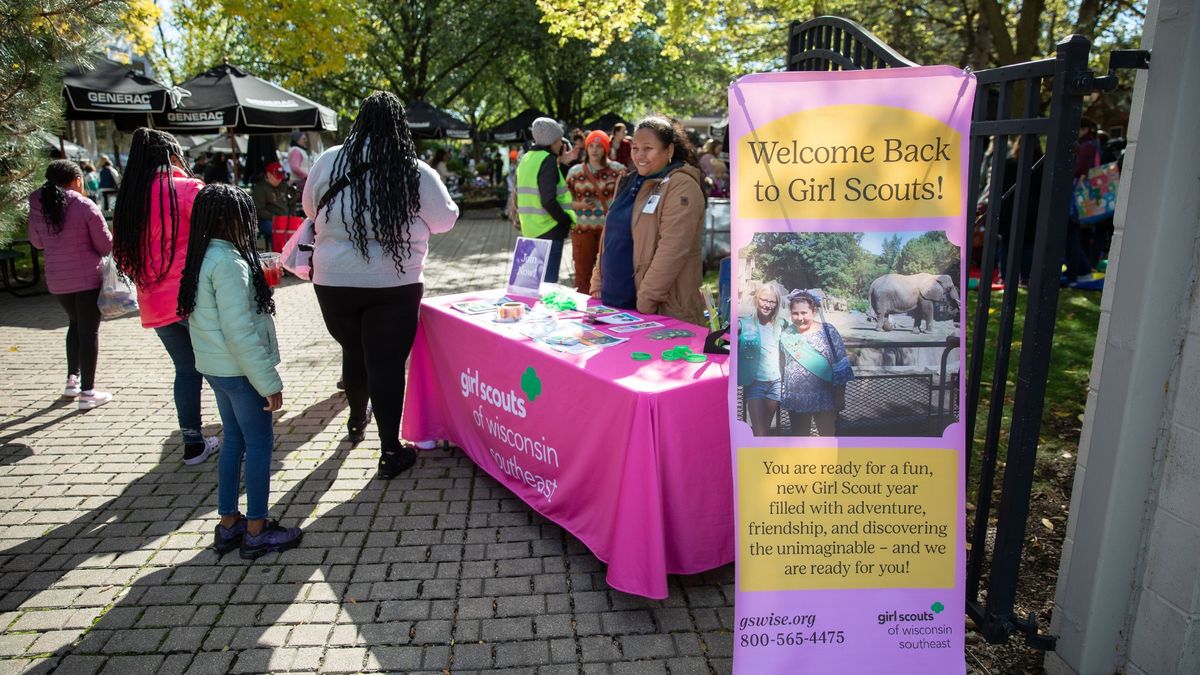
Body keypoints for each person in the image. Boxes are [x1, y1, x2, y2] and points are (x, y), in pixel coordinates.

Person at [304, 91, 459, 479]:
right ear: (399, 127)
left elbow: (309, 209)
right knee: (386, 363)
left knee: (354, 351)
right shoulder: (415, 170)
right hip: (394, 281)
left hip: (333, 280)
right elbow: (444, 221)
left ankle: (356, 421)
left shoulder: (328, 160)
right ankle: (390, 450)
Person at [176, 183, 301, 559]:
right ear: (231, 220)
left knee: (234, 441)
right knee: (260, 445)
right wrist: (268, 382)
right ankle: (257, 529)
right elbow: (239, 331)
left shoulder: (202, 256)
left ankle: (229, 524)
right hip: (239, 370)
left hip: (216, 368)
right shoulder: (229, 263)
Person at [112, 128, 220, 465]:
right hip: (194, 296)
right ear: (173, 156)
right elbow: (220, 236)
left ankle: (192, 443)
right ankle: (243, 435)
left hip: (154, 301)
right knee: (223, 367)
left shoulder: (130, 200)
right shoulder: (188, 189)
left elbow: (124, 256)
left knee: (186, 370)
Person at [590, 114, 706, 325]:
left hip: (655, 311)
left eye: (648, 148)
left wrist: (646, 301)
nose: (640, 155)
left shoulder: (681, 186)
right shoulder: (627, 181)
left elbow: (672, 249)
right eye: (635, 148)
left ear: (669, 150)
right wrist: (598, 280)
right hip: (614, 305)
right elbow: (610, 235)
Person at [27, 160, 114, 409]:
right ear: (76, 180)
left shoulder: (37, 205)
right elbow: (105, 245)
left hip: (56, 280)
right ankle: (88, 393)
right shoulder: (84, 205)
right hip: (87, 278)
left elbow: (37, 242)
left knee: (74, 324)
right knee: (89, 333)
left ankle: (71, 380)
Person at [515, 117, 576, 284]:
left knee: (532, 286)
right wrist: (566, 220)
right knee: (548, 287)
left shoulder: (526, 158)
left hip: (530, 229)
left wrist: (562, 164)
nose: (560, 145)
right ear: (553, 141)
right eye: (559, 141)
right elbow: (548, 199)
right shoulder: (547, 160)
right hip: (549, 229)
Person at [779, 291, 849, 437]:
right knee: (799, 439)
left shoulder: (828, 331)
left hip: (824, 397)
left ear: (814, 311)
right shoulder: (786, 334)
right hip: (797, 398)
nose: (800, 318)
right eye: (795, 313)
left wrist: (840, 396)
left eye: (804, 313)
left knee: (827, 437)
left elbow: (841, 364)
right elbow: (783, 363)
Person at [565, 130, 625, 295]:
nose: (594, 149)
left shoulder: (618, 170)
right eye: (591, 145)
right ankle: (581, 312)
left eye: (599, 146)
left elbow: (627, 200)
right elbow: (563, 202)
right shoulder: (575, 172)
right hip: (583, 230)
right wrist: (580, 205)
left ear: (606, 148)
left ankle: (608, 310)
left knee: (610, 274)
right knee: (583, 274)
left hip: (610, 231)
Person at [737, 282, 787, 436]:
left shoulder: (781, 325)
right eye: (764, 300)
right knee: (759, 431)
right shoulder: (744, 324)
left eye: (772, 302)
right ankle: (759, 459)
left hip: (775, 383)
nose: (767, 305)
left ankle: (764, 458)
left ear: (777, 304)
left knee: (765, 428)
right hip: (755, 382)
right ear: (756, 299)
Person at [251, 162, 290, 247]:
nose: (279, 180)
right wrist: (276, 219)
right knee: (275, 230)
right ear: (268, 174)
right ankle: (278, 253)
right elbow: (259, 210)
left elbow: (291, 203)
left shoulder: (284, 186)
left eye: (280, 177)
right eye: (276, 177)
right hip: (267, 221)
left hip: (285, 219)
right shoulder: (260, 188)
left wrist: (291, 215)